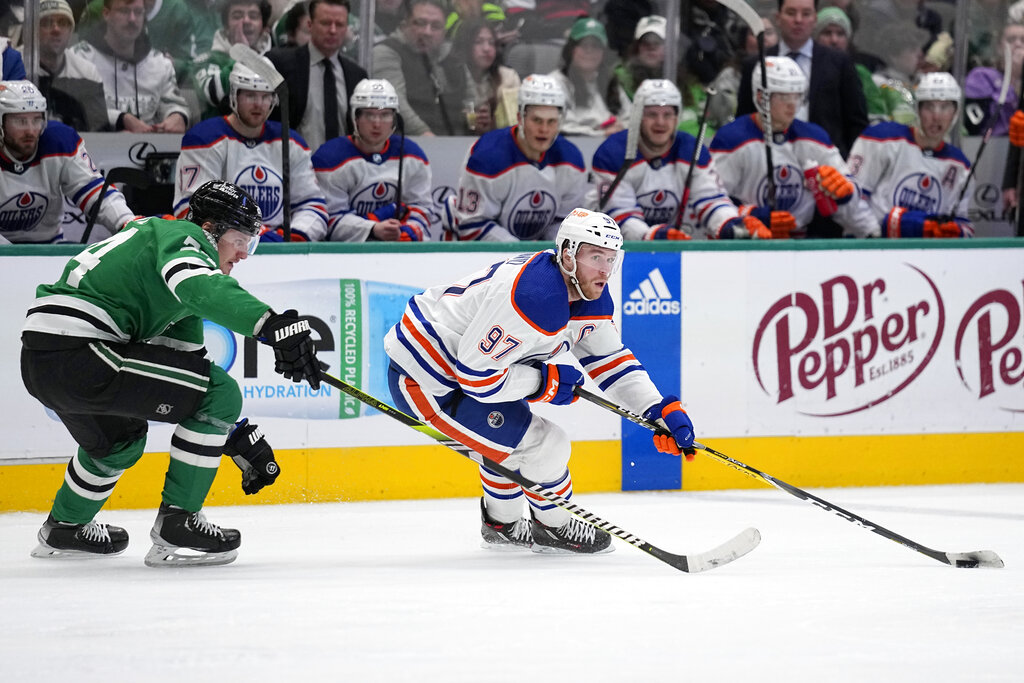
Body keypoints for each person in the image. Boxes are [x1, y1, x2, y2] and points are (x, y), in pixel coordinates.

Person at [21, 180, 324, 566]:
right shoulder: (184, 238)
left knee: (119, 441)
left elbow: (188, 375)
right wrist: (270, 324)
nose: (245, 253)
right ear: (211, 229)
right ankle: (179, 522)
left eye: (252, 241)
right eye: (240, 238)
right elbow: (201, 288)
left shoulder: (160, 260)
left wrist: (231, 434)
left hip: (43, 359)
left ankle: (65, 527)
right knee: (222, 392)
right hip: (86, 352)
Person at [384, 208, 696, 553]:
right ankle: (555, 526)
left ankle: (501, 525)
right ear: (567, 255)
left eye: (610, 258)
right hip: (428, 381)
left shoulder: (588, 294)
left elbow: (610, 360)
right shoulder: (535, 297)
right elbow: (476, 379)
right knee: (545, 445)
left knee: (513, 443)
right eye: (595, 256)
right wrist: (543, 382)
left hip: (468, 369)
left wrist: (658, 409)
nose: (606, 270)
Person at [710, 57, 875, 238]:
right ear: (760, 97)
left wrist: (845, 194)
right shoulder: (732, 140)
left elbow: (854, 209)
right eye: (783, 96)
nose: (792, 104)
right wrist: (750, 216)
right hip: (748, 246)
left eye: (796, 95)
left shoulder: (814, 138)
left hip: (800, 244)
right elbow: (710, 202)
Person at [590, 79, 768, 240]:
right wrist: (652, 236)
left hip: (677, 243)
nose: (660, 122)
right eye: (652, 114)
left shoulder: (692, 150)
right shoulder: (613, 153)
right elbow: (619, 215)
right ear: (638, 117)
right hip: (618, 254)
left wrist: (730, 224)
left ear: (677, 117)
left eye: (667, 114)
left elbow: (711, 200)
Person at [174, 61, 328, 242]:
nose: (258, 104)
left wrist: (294, 237)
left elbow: (312, 205)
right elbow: (193, 208)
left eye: (265, 96)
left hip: (280, 249)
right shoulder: (205, 138)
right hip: (222, 251)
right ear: (234, 95)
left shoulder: (291, 142)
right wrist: (255, 236)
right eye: (250, 95)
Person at [446, 73, 587, 241]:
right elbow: (472, 226)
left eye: (551, 122)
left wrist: (550, 254)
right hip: (472, 256)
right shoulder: (488, 157)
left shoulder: (571, 161)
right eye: (536, 120)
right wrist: (522, 255)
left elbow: (563, 224)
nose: (544, 129)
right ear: (520, 118)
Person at [0, 80, 134, 244]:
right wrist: (12, 254)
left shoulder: (59, 142)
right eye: (20, 121)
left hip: (48, 248)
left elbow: (96, 193)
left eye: (36, 120)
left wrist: (126, 223)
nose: (30, 130)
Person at [847, 72, 974, 238]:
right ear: (917, 109)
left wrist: (956, 232)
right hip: (869, 249)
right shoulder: (881, 139)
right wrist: (879, 232)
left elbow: (965, 225)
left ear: (955, 112)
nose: (936, 116)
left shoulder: (961, 166)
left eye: (945, 107)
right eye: (929, 107)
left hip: (926, 257)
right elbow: (850, 199)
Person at [736, 0, 868, 158]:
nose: (798, 20)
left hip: (827, 162)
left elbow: (856, 121)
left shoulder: (839, 63)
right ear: (778, 18)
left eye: (806, 14)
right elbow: (744, 118)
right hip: (767, 160)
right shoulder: (757, 64)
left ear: (815, 19)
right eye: (791, 13)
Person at [313, 78, 433, 241]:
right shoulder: (330, 158)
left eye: (385, 115)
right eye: (369, 115)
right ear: (355, 117)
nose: (377, 124)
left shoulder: (412, 155)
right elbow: (327, 219)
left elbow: (422, 208)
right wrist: (373, 227)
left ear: (394, 119)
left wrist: (404, 233)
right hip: (344, 256)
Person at [70, 0, 191, 133]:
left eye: (138, 12)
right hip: (89, 150)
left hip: (152, 150)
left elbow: (175, 104)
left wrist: (178, 116)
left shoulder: (159, 63)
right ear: (106, 14)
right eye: (124, 11)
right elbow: (75, 109)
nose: (132, 19)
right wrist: (121, 119)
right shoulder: (80, 58)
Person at [267, 0, 368, 152]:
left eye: (339, 25)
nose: (333, 30)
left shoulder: (357, 76)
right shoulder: (281, 64)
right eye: (326, 23)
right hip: (292, 168)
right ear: (310, 25)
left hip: (342, 169)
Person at [372, 0, 468, 136]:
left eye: (435, 26)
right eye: (420, 23)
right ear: (404, 25)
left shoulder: (452, 58)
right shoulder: (387, 53)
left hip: (457, 145)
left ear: (444, 32)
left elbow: (472, 101)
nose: (427, 32)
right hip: (406, 146)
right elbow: (394, 102)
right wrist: (426, 135)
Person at [189, 0, 274, 121]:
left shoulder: (276, 59)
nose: (246, 21)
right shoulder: (207, 60)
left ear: (264, 26)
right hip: (218, 136)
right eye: (237, 16)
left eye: (253, 16)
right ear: (226, 25)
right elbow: (211, 94)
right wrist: (242, 57)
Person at [547, 16, 629, 137]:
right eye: (584, 45)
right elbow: (560, 127)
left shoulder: (610, 83)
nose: (589, 51)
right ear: (571, 49)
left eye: (595, 46)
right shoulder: (553, 84)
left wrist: (621, 127)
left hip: (612, 148)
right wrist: (602, 133)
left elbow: (632, 118)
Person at [36, 0, 109, 132]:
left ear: (71, 32)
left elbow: (100, 130)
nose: (56, 29)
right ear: (33, 31)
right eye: (47, 23)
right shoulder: (14, 66)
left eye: (63, 23)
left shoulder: (87, 73)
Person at [451, 18, 520, 134]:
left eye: (491, 43)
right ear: (465, 46)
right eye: (478, 42)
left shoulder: (508, 78)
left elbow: (516, 125)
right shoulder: (450, 76)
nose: (487, 49)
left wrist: (491, 124)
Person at [965, 20, 1024, 137]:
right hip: (991, 149)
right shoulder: (981, 76)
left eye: (1023, 40)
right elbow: (975, 126)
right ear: (999, 47)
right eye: (1011, 40)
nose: (1018, 44)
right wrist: (1012, 74)